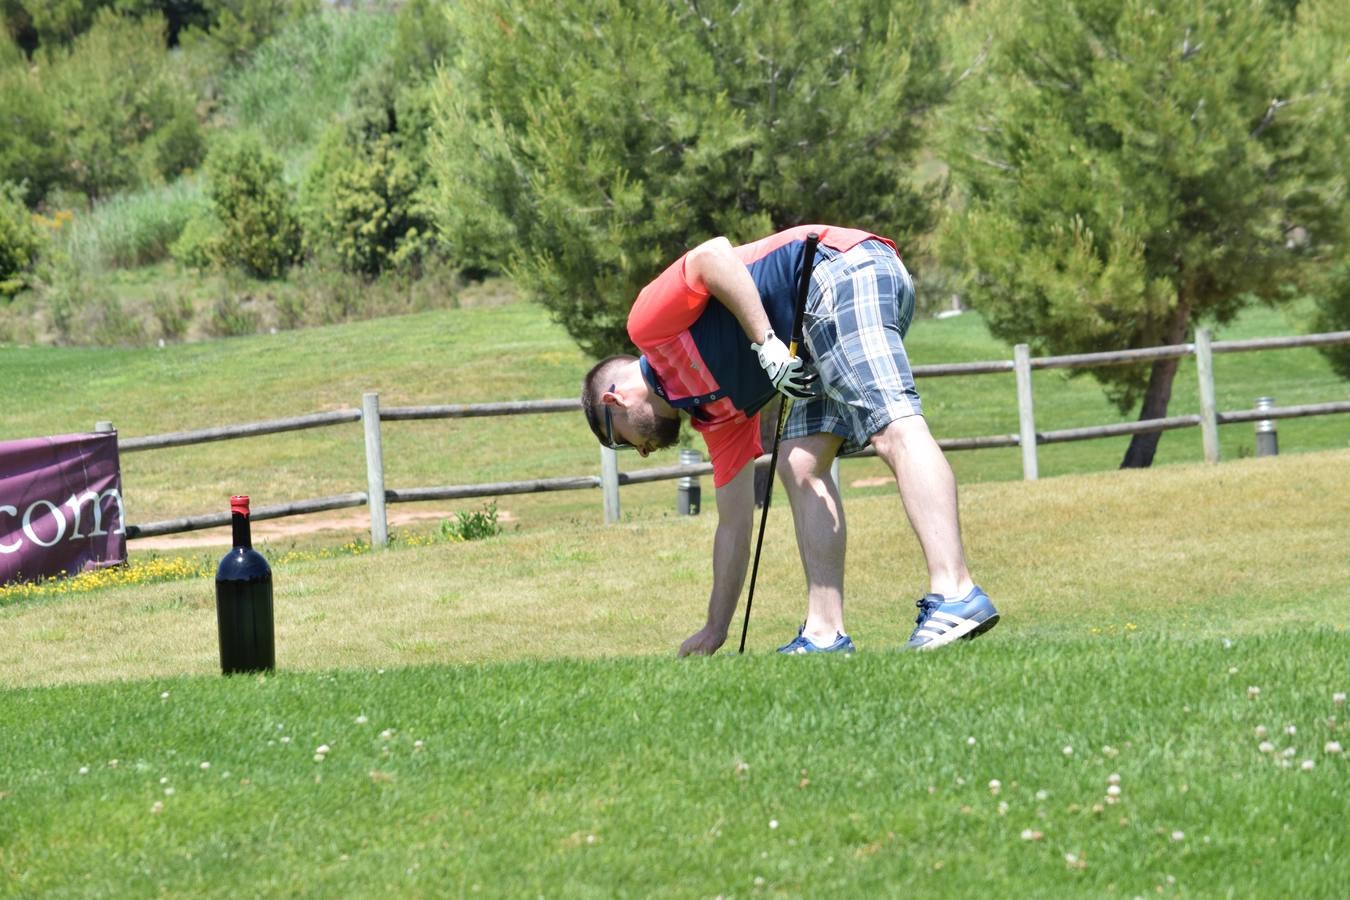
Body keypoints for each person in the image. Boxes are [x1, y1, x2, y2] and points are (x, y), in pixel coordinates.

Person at [580, 224, 998, 655]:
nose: (644, 450)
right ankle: (824, 633)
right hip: (818, 320)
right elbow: (734, 526)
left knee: (892, 425)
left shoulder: (648, 326)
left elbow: (712, 256)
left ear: (614, 401)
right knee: (800, 463)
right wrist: (714, 629)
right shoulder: (715, 417)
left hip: (839, 270)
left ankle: (956, 592)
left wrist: (765, 342)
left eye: (626, 441)